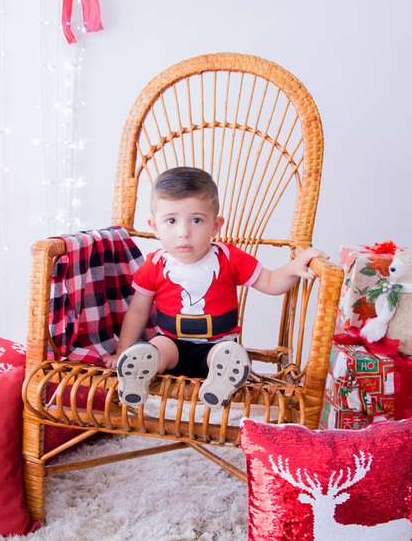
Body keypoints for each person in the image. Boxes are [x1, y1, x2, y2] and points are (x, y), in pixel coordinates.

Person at [107, 167, 325, 408]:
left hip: (216, 348)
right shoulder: (155, 264)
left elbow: (272, 282)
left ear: (216, 225)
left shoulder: (228, 258)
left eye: (196, 220)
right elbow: (138, 311)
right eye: (171, 220)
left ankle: (219, 384)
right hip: (172, 345)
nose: (183, 233)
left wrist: (293, 267)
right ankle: (138, 374)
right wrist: (122, 349)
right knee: (156, 349)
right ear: (155, 227)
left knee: (227, 354)